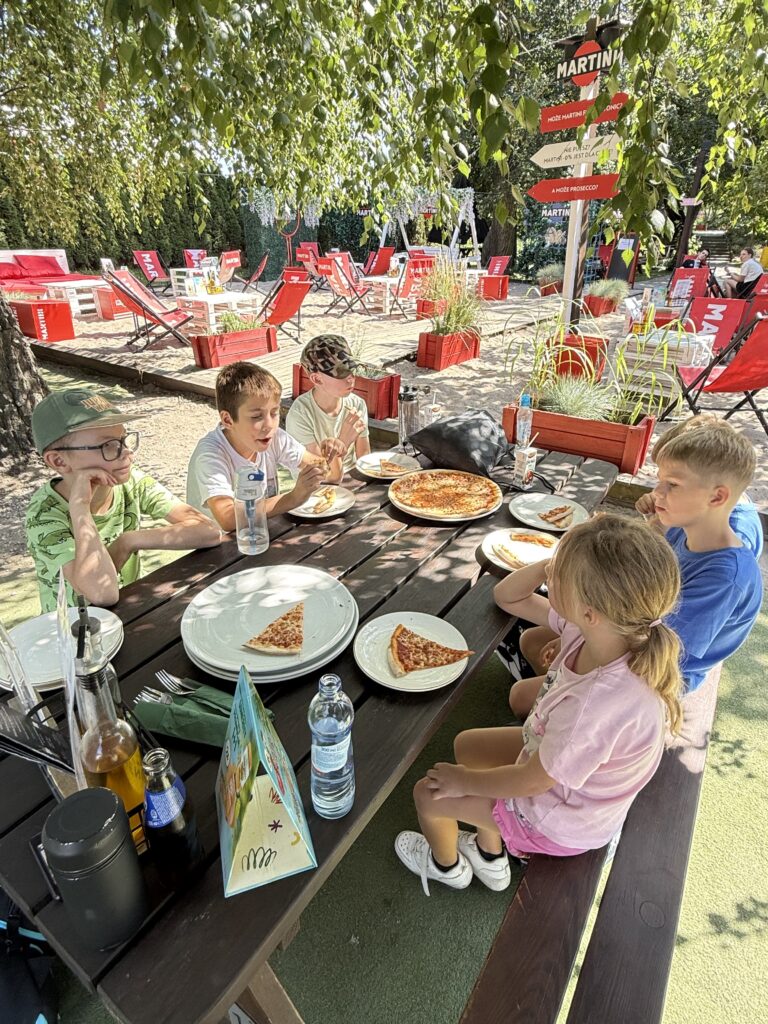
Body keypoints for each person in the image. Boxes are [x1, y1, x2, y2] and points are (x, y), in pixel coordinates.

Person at [394, 516, 682, 894]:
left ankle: (445, 866)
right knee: (468, 746)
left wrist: (463, 782)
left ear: (590, 611)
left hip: (554, 819)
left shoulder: (596, 705)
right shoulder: (602, 631)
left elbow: (533, 781)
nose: (551, 575)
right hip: (555, 770)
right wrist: (553, 563)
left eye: (559, 574)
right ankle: (488, 854)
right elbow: (507, 596)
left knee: (428, 794)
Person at [507, 416, 762, 718]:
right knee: (531, 640)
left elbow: (664, 650)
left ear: (717, 497)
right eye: (659, 481)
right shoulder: (684, 527)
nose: (657, 492)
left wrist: (581, 642)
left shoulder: (724, 578)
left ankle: (573, 716)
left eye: (672, 485)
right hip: (635, 636)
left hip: (657, 674)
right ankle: (559, 703)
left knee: (521, 697)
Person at [26, 388, 221, 613]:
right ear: (58, 461)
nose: (127, 453)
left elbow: (209, 531)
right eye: (107, 446)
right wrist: (80, 508)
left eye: (123, 440)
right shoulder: (44, 514)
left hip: (129, 611)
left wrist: (128, 541)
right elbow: (102, 593)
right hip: (74, 628)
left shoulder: (132, 481)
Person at [186, 361, 346, 529]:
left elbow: (330, 475)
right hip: (223, 542)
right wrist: (293, 498)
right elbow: (228, 518)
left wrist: (332, 452)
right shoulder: (211, 455)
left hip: (262, 531)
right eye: (257, 417)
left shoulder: (274, 438)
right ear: (228, 420)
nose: (269, 425)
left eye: (274, 413)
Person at [285, 334, 371, 483]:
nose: (351, 378)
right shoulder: (300, 415)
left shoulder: (357, 404)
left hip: (350, 478)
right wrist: (342, 442)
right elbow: (326, 477)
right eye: (341, 372)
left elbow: (365, 460)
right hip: (312, 488)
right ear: (317, 379)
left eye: (352, 368)